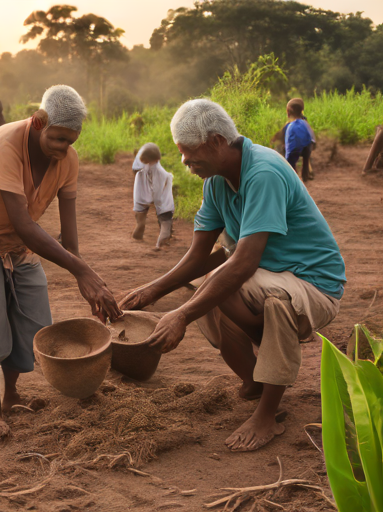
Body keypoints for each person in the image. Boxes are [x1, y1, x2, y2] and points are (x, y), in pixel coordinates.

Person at [120, 99, 345, 452]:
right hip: (268, 274)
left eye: (189, 153)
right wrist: (153, 290)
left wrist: (181, 314)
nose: (184, 162)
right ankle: (255, 379)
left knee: (260, 298)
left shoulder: (264, 173)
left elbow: (243, 262)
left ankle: (268, 413)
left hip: (312, 284)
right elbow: (199, 256)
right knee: (207, 288)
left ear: (216, 141)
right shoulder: (217, 182)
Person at [0, 85, 122, 443]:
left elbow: (69, 239)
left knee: (34, 322)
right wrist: (79, 270)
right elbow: (25, 224)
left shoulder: (67, 161)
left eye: (70, 141)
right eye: (57, 138)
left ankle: (13, 394)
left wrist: (90, 282)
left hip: (17, 240)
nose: (63, 148)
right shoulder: (4, 144)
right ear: (39, 122)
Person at [132, 143, 174, 250]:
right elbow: (159, 191)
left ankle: (140, 224)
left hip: (143, 187)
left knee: (141, 208)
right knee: (165, 216)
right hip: (157, 191)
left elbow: (136, 168)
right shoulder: (160, 173)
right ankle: (163, 238)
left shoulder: (140, 168)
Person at [283, 98, 315, 182]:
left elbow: (289, 145)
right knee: (306, 157)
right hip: (307, 148)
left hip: (294, 149)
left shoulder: (290, 126)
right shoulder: (305, 123)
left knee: (290, 162)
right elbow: (311, 136)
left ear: (289, 113)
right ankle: (306, 175)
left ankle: (293, 177)